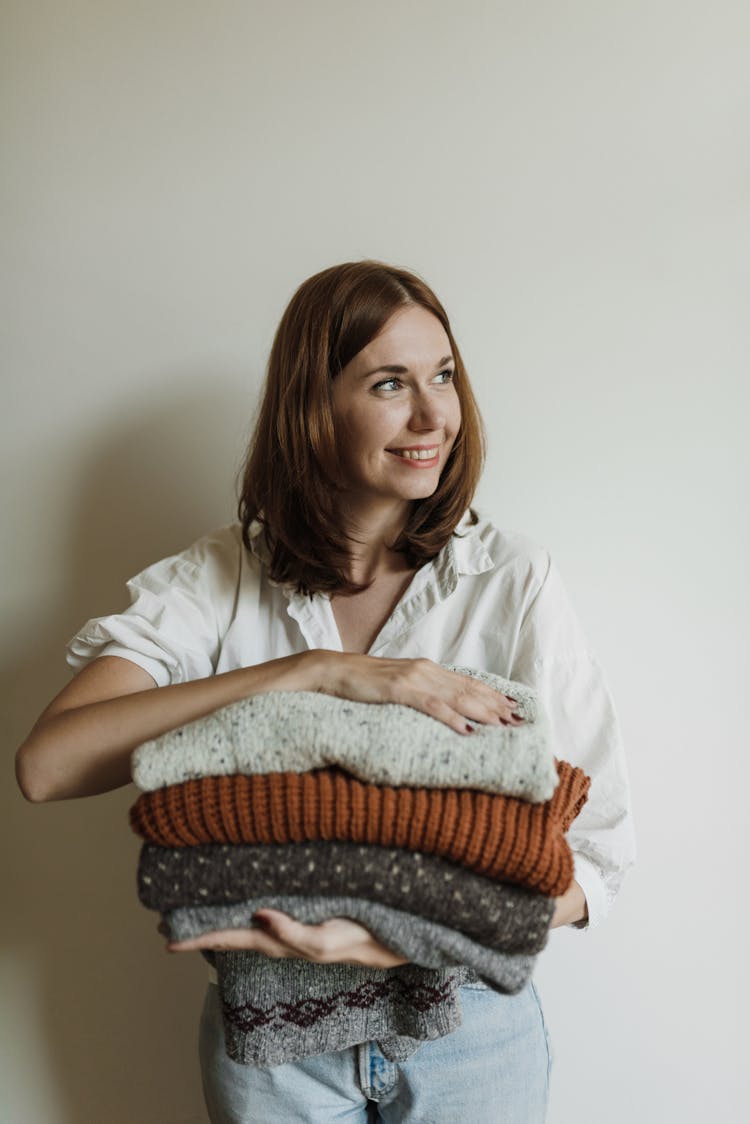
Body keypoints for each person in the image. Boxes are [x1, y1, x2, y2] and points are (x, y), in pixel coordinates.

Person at [16, 259, 635, 1123]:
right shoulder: (220, 578)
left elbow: (597, 857)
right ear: (314, 404)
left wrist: (399, 935)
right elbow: (48, 765)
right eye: (391, 383)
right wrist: (314, 673)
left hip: (471, 1032)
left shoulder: (508, 579)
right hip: (272, 1042)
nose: (433, 416)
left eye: (444, 377)